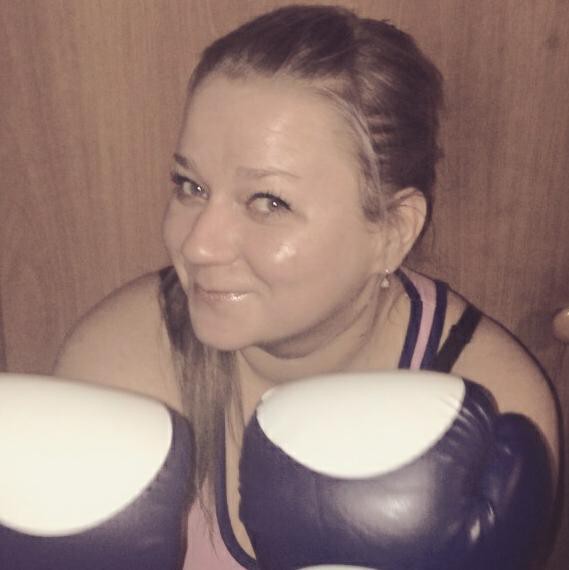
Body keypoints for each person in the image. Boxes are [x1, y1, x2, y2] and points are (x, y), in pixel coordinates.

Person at [53, 4, 560, 569]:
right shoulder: (118, 371)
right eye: (191, 186)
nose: (197, 246)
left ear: (392, 232)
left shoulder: (490, 408)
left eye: (269, 202)